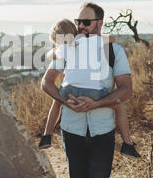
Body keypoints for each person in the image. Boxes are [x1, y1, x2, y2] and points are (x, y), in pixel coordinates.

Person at [41, 2, 135, 178]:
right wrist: (63, 100)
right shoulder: (68, 48)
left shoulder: (113, 51)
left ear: (99, 23)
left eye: (86, 22)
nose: (80, 26)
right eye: (78, 22)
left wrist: (96, 103)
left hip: (102, 131)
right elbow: (47, 82)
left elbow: (126, 90)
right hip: (71, 129)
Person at [38, 19, 140, 158]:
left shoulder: (61, 49)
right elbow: (112, 38)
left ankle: (46, 135)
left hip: (69, 91)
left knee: (57, 102)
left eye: (56, 40)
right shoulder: (88, 42)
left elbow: (50, 55)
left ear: (59, 38)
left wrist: (56, 49)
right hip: (94, 93)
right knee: (118, 104)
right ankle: (127, 144)